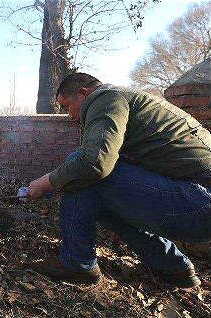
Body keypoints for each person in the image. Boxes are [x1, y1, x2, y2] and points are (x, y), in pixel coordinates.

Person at [28, 73, 211, 288]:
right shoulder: (125, 99)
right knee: (103, 203)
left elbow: (94, 164)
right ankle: (173, 267)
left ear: (83, 93)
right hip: (196, 205)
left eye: (67, 106)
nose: (69, 115)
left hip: (199, 203)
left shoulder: (106, 98)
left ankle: (76, 264)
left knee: (81, 169)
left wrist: (46, 182)